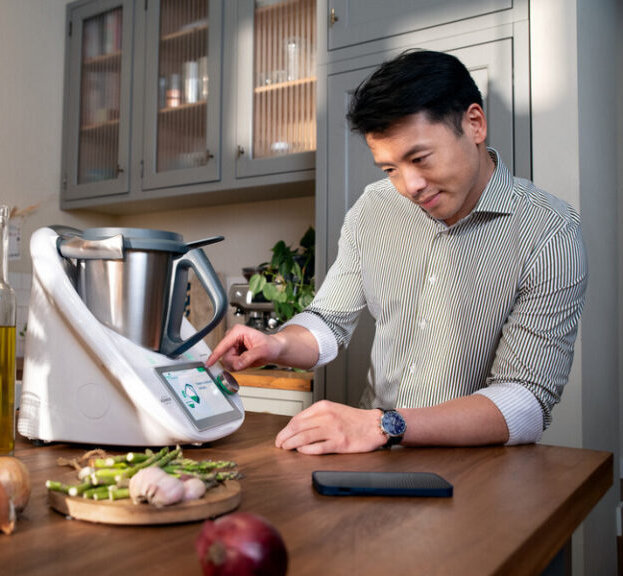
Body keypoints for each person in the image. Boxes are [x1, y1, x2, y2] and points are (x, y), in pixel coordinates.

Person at [206, 49, 587, 455]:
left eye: (419, 158)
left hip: (477, 469)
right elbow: (330, 322)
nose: (410, 185)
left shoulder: (550, 232)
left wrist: (385, 424)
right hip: (375, 455)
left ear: (474, 124)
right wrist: (278, 344)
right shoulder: (374, 208)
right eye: (389, 168)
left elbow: (526, 401)